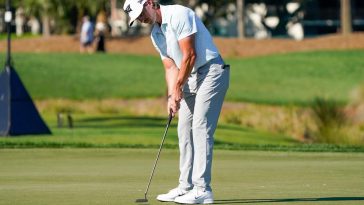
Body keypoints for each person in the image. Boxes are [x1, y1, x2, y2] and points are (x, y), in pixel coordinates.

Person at [123, 0, 230, 204]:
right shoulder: (155, 34)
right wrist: (172, 96)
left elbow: (190, 55)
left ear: (150, 3)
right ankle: (185, 187)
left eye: (140, 13)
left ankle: (202, 189)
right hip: (188, 76)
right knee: (184, 128)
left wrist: (178, 86)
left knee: (200, 127)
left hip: (211, 71)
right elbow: (171, 67)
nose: (141, 19)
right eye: (136, 18)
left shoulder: (179, 14)